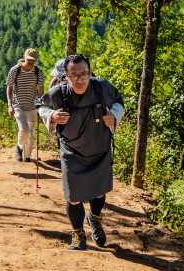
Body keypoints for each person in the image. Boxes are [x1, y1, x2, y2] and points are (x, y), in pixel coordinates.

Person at [39, 54, 124, 250]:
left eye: (84, 73)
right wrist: (52, 115)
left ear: (90, 72)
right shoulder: (59, 92)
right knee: (73, 196)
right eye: (74, 74)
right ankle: (78, 235)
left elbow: (119, 101)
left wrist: (114, 115)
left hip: (100, 149)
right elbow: (41, 105)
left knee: (99, 192)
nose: (79, 79)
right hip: (72, 152)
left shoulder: (101, 87)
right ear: (66, 76)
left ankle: (95, 219)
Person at [5, 48, 45, 162]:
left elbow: (41, 90)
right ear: (24, 57)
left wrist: (40, 107)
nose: (31, 62)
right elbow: (9, 87)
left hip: (32, 106)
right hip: (18, 105)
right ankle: (19, 147)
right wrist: (9, 105)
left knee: (31, 134)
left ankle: (27, 156)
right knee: (24, 130)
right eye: (29, 60)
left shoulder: (38, 71)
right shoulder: (15, 70)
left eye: (33, 60)